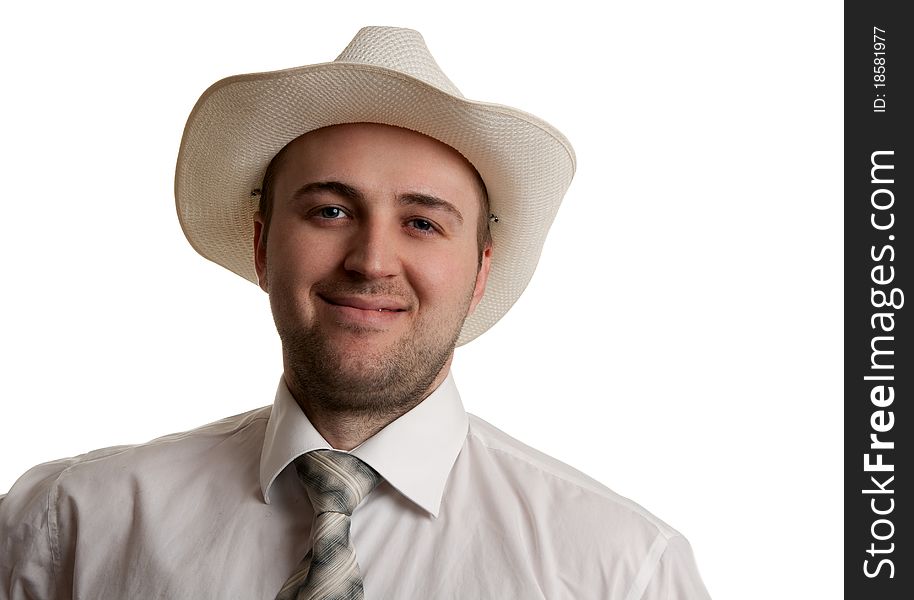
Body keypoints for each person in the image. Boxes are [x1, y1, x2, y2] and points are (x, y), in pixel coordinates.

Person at [0, 26, 711, 599]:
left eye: (423, 222)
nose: (371, 260)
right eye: (331, 210)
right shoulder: (73, 526)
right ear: (261, 242)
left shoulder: (618, 573)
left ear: (481, 269)